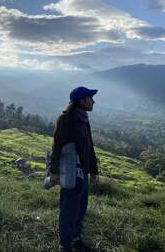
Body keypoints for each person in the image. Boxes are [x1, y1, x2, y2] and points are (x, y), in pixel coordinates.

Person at [49, 86, 99, 252]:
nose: (93, 101)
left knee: (80, 209)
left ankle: (76, 240)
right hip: (70, 172)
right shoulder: (66, 120)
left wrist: (93, 171)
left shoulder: (83, 119)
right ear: (81, 100)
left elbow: (89, 146)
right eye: (90, 98)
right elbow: (57, 146)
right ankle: (65, 246)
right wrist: (54, 171)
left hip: (83, 173)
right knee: (68, 211)